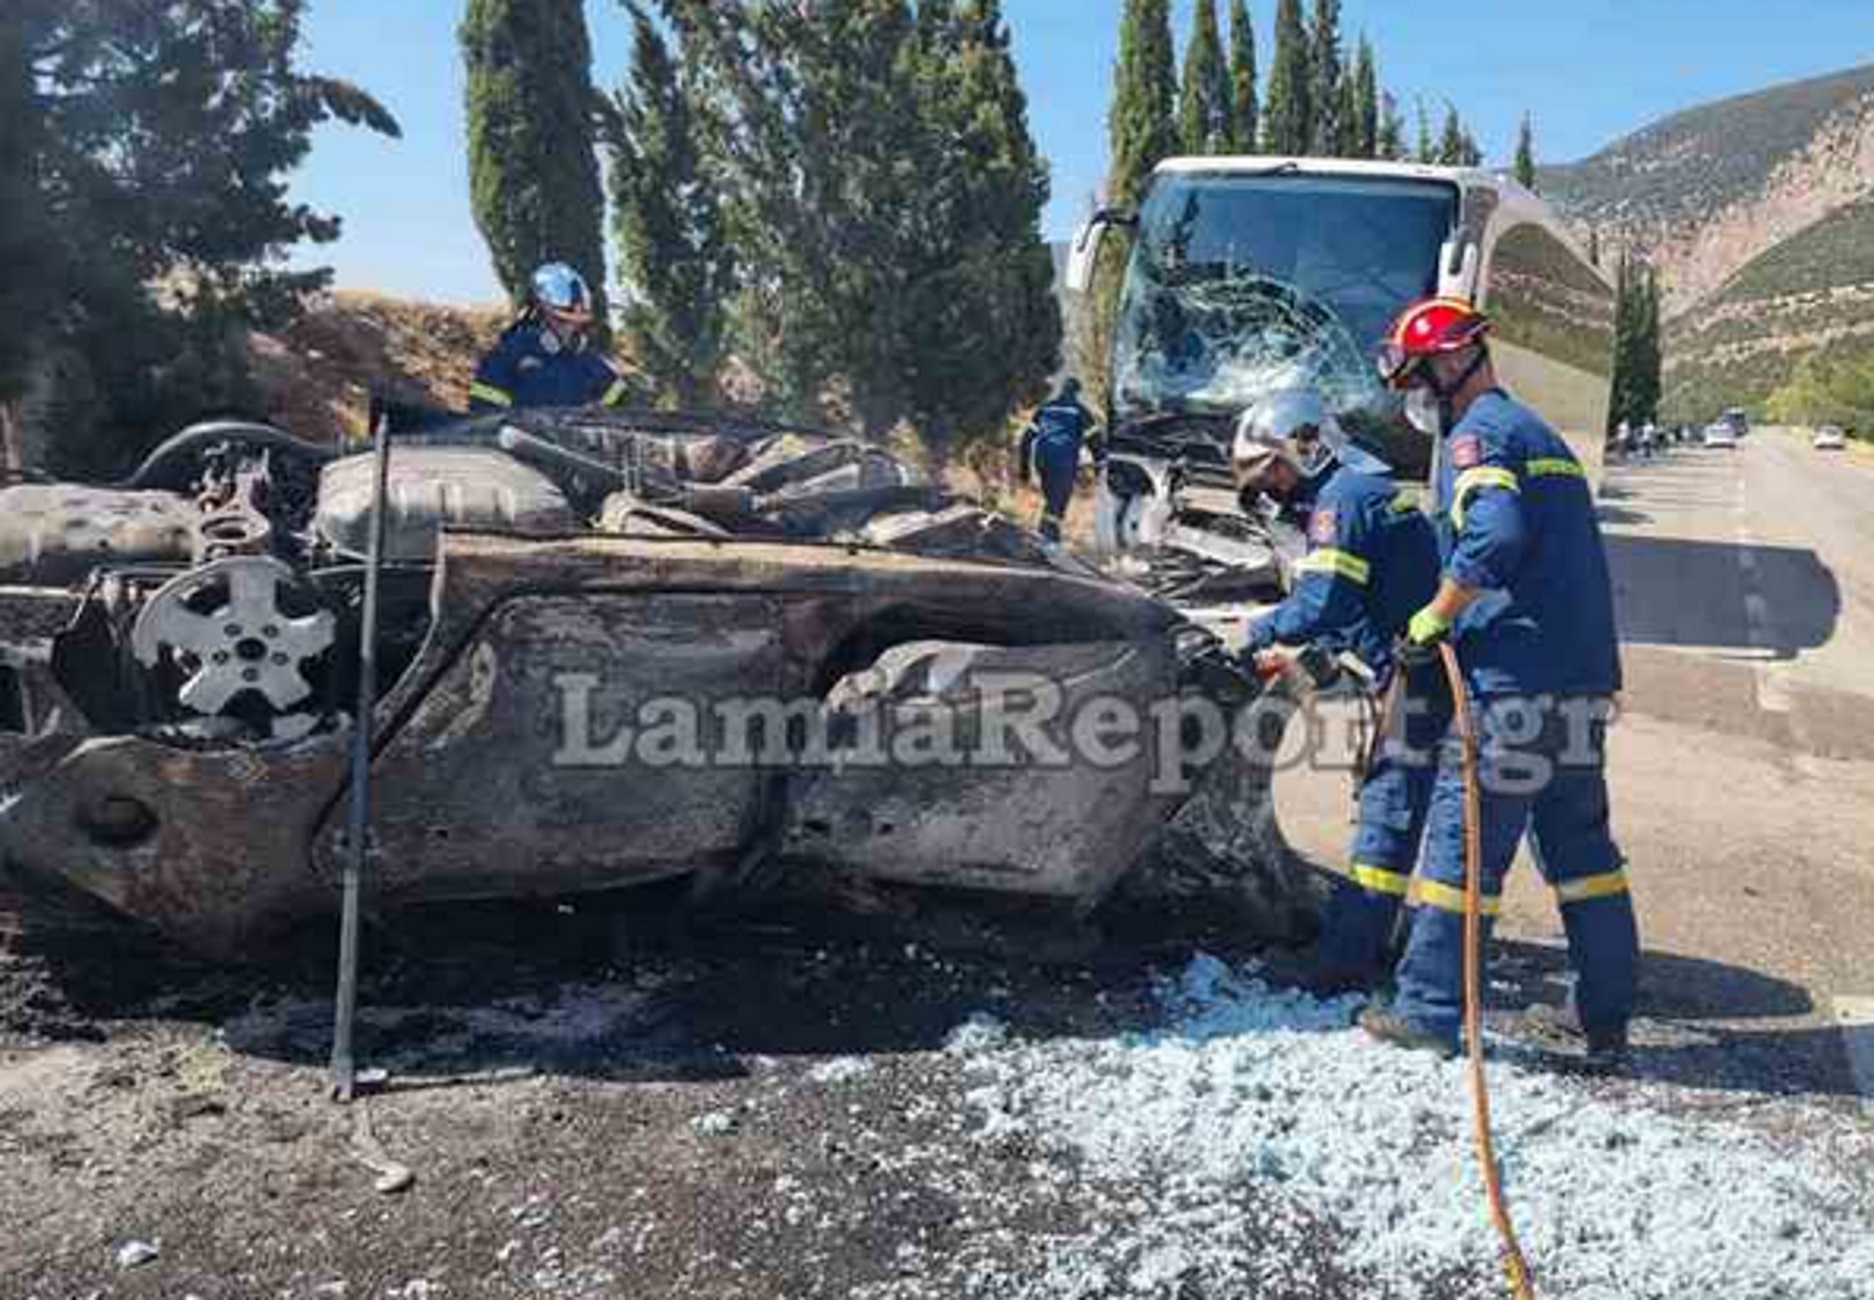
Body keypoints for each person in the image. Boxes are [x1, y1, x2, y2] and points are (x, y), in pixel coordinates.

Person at [1363, 296, 1639, 1071]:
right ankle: (1605, 1015)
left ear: (1451, 365)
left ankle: (1425, 1010)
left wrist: (1436, 614)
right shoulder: (1540, 435)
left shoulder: (1479, 435)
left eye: (1418, 382)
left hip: (1513, 688)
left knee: (1465, 851)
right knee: (1583, 854)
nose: (1417, 400)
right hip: (1578, 685)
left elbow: (1496, 535)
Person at [1232, 389, 1446, 991]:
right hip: (1417, 671)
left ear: (1301, 449)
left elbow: (1323, 603)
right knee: (1398, 811)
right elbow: (1365, 602)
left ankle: (1348, 963)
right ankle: (1382, 943)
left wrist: (1254, 632)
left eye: (1269, 471)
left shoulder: (1340, 502)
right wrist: (1313, 658)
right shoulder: (1365, 489)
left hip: (1420, 684)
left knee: (1388, 813)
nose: (1270, 488)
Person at [470, 262, 633, 413]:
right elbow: (483, 416)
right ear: (541, 312)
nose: (571, 329)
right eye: (562, 321)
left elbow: (625, 408)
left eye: (577, 323)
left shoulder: (587, 361)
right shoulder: (508, 356)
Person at [1018, 378, 1096, 542]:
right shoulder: (1080, 410)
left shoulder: (1044, 409)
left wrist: (1024, 469)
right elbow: (1095, 440)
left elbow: (1026, 440)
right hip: (1064, 461)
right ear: (1076, 392)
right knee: (1057, 501)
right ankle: (1044, 539)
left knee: (1052, 501)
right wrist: (1101, 463)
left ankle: (1053, 540)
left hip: (1042, 461)